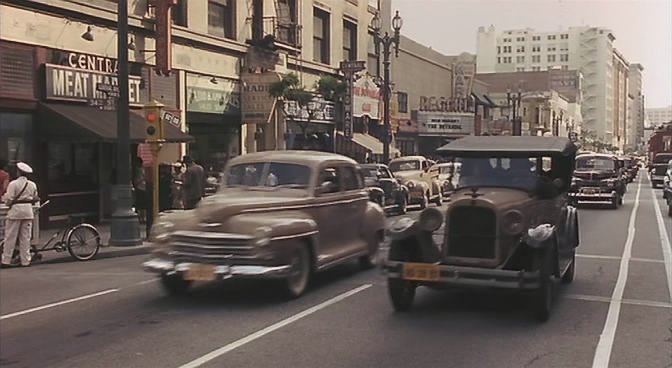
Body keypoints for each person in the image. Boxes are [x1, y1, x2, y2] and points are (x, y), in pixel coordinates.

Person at [1, 162, 39, 268]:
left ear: (18, 172)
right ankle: (25, 260)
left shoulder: (13, 184)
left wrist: (6, 201)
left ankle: (6, 260)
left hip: (16, 212)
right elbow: (35, 197)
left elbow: (8, 199)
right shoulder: (32, 184)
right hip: (28, 212)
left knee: (10, 237)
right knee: (25, 237)